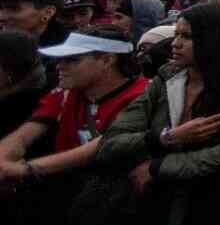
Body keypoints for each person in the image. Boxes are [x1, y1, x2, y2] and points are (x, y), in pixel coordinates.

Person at [95, 3, 220, 192]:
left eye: (187, 37)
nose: (175, 43)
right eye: (176, 35)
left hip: (213, 196)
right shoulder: (167, 76)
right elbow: (111, 142)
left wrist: (158, 167)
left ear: (214, 40)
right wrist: (166, 137)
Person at [0, 26, 148, 187]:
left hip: (113, 192)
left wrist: (28, 169)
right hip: (67, 189)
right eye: (61, 59)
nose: (59, 66)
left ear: (107, 60)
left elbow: (102, 144)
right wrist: (3, 161)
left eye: (72, 59)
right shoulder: (67, 92)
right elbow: (24, 134)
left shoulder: (142, 95)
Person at [1, 0, 71, 89]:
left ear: (48, 12)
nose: (2, 17)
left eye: (14, 9)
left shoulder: (68, 56)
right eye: (1, 8)